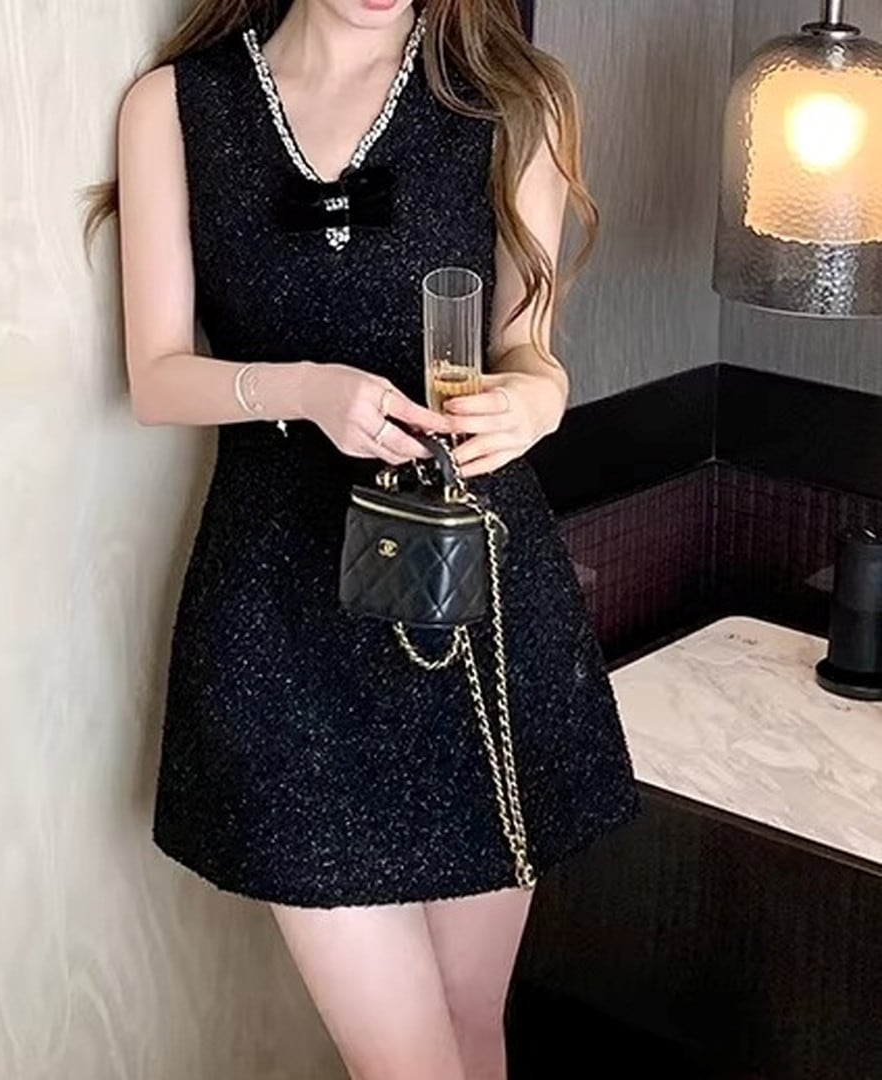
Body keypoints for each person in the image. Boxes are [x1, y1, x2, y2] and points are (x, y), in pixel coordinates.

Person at [82, 2, 640, 1077]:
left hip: (472, 606)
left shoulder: (515, 102)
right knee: (405, 1060)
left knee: (471, 1024)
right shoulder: (177, 108)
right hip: (283, 622)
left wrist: (539, 400)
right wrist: (305, 389)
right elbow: (156, 376)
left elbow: (528, 350)